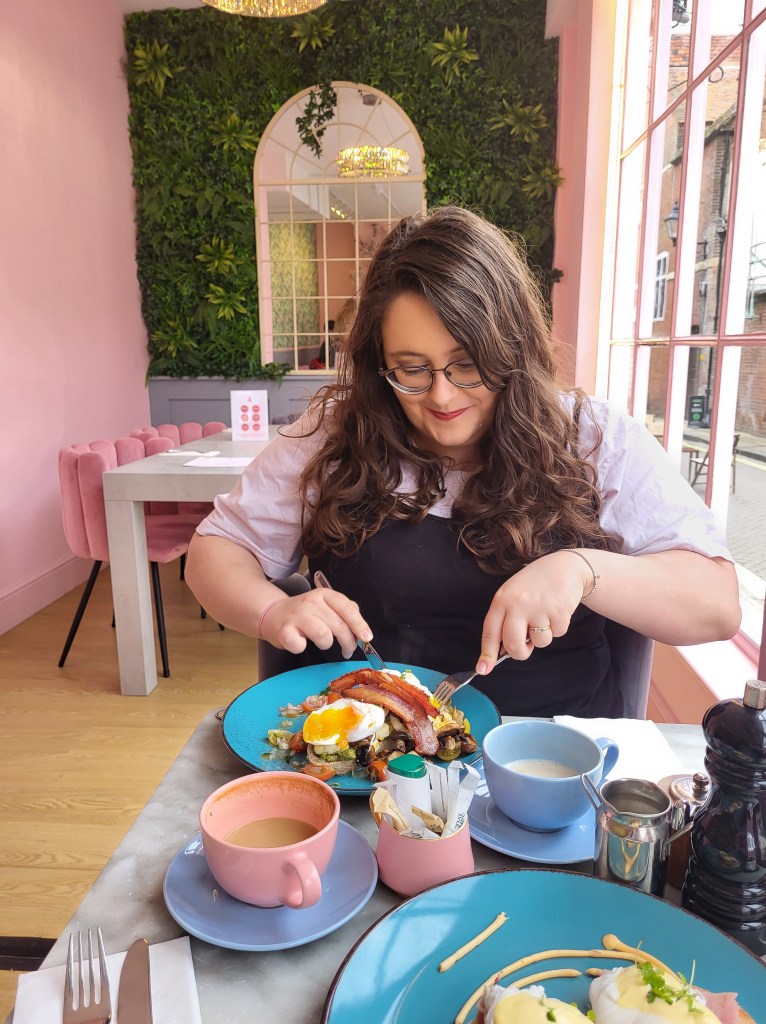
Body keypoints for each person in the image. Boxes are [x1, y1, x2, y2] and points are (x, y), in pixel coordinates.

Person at [185, 206, 740, 716]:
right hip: (369, 752)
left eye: (468, 364)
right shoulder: (332, 436)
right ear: (379, 362)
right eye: (411, 369)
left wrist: (583, 570)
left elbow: (717, 605)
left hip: (547, 758)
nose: (442, 397)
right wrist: (270, 611)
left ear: (513, 349)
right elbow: (215, 551)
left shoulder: (592, 437)